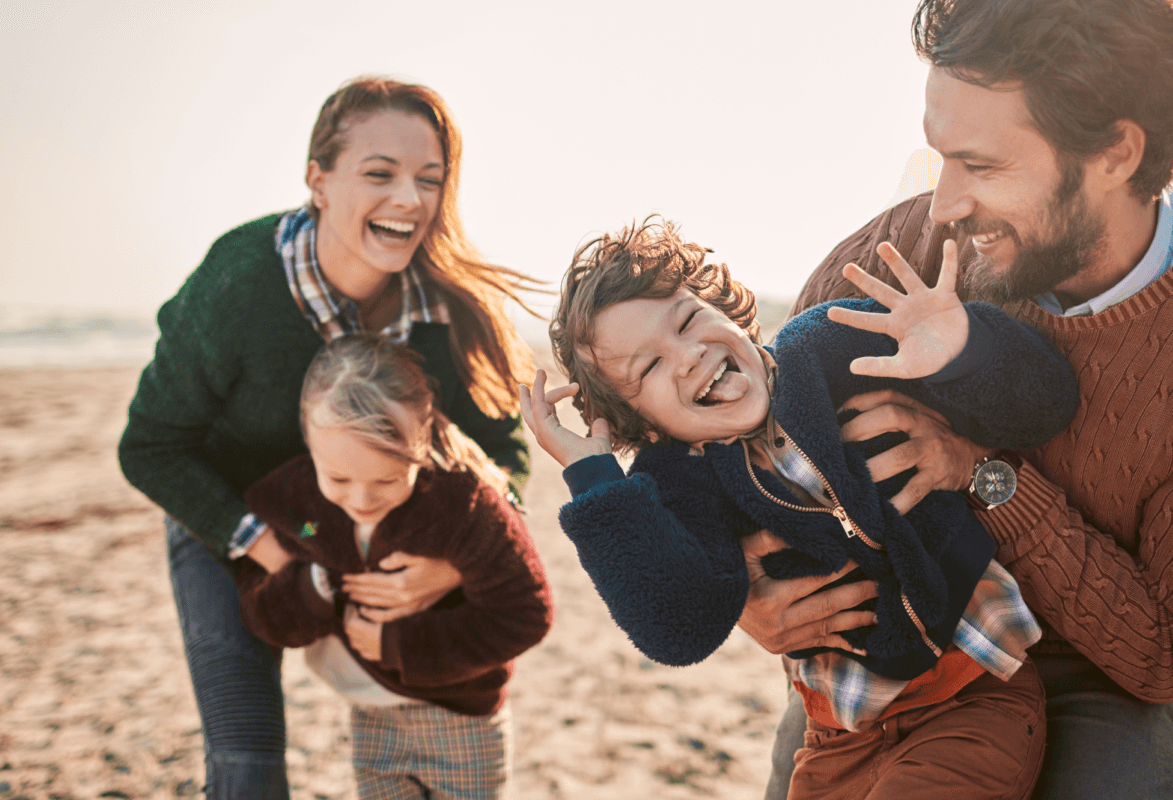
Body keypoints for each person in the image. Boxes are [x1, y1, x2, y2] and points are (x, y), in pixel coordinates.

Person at [747, 1, 1173, 798]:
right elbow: (756, 442)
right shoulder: (900, 252)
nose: (944, 204)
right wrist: (749, 594)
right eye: (941, 159)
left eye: (983, 165)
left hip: (1105, 672)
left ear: (1115, 151)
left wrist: (982, 474)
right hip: (907, 631)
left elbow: (1165, 653)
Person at [520, 217, 1080, 798]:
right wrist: (593, 477)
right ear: (647, 426)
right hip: (837, 732)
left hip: (970, 689)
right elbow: (678, 627)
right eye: (649, 367)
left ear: (728, 312)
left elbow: (1045, 403)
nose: (685, 357)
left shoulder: (827, 348)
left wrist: (962, 347)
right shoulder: (680, 484)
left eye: (688, 321)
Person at [118, 76, 538, 799]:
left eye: (428, 180)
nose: (409, 200)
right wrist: (270, 547)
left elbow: (503, 455)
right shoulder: (239, 282)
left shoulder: (445, 307)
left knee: (435, 713)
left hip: (380, 524)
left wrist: (453, 565)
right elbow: (150, 446)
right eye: (380, 174)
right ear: (319, 180)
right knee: (247, 753)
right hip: (232, 513)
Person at [237, 335, 553, 800]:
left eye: (387, 478)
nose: (361, 500)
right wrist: (309, 585)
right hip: (368, 718)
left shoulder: (463, 504)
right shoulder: (300, 507)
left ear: (422, 442)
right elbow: (263, 602)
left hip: (463, 722)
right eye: (338, 478)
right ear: (309, 443)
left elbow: (526, 613)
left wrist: (400, 644)